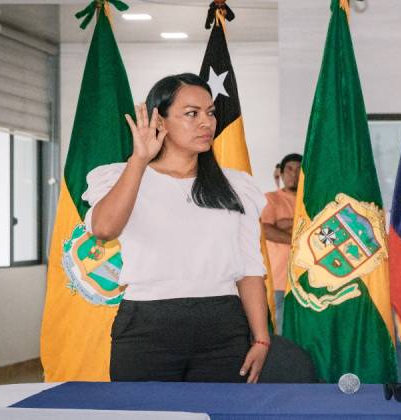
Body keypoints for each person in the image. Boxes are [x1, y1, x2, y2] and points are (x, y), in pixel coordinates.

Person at [83, 73, 270, 383]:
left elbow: (250, 268)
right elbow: (104, 229)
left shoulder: (236, 185)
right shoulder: (122, 176)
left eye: (210, 113)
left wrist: (261, 338)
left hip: (222, 326)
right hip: (147, 325)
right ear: (161, 121)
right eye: (191, 114)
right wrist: (139, 160)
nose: (206, 123)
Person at [261, 153, 302, 334]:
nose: (294, 174)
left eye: (299, 170)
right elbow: (266, 230)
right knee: (279, 330)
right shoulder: (271, 198)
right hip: (279, 278)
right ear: (282, 172)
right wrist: (300, 240)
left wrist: (285, 224)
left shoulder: (311, 202)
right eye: (290, 169)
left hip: (305, 279)